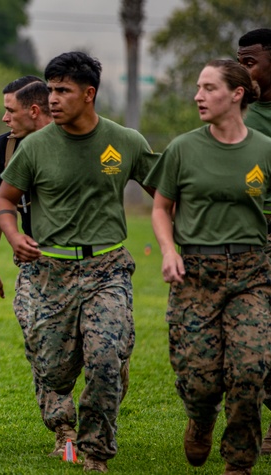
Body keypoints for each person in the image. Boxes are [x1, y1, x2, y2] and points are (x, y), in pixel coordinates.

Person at [0, 51, 158, 472]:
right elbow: (5, 200)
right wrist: (15, 236)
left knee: (103, 360)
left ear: (89, 94)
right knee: (52, 372)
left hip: (108, 268)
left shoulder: (126, 142)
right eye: (50, 89)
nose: (53, 98)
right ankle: (77, 407)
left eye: (63, 90)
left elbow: (166, 193)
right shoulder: (34, 147)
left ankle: (95, 452)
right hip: (51, 272)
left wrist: (179, 239)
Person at [147, 58, 271, 475]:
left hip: (252, 274)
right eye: (198, 87)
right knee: (198, 378)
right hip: (195, 273)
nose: (198, 96)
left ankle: (239, 463)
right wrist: (168, 251)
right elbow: (162, 207)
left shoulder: (265, 151)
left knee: (251, 369)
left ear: (237, 94)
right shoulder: (183, 148)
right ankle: (200, 418)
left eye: (209, 88)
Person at [0, 75, 84, 456]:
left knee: (100, 351)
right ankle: (63, 429)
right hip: (34, 266)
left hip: (87, 264)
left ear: (34, 110)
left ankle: (102, 395)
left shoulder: (75, 141)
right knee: (41, 344)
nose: (4, 118)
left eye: (10, 110)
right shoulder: (4, 149)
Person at [236, 28, 271, 455]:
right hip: (248, 239)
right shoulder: (237, 112)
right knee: (253, 340)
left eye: (250, 63)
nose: (243, 73)